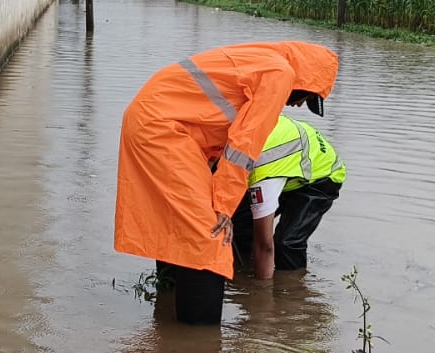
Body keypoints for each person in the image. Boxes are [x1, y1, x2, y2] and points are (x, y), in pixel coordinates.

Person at [115, 41, 339, 324]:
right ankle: (199, 343)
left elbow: (215, 131)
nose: (297, 105)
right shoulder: (279, 74)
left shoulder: (263, 59)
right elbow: (244, 145)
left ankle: (168, 319)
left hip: (162, 125)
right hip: (163, 131)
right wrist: (223, 206)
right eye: (306, 98)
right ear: (305, 80)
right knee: (212, 235)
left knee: (184, 226)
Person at [231, 115, 346, 279]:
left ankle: (291, 286)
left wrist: (261, 290)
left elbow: (265, 245)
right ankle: (242, 271)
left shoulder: (263, 171)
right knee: (238, 223)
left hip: (322, 176)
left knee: (287, 242)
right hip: (290, 164)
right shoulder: (237, 132)